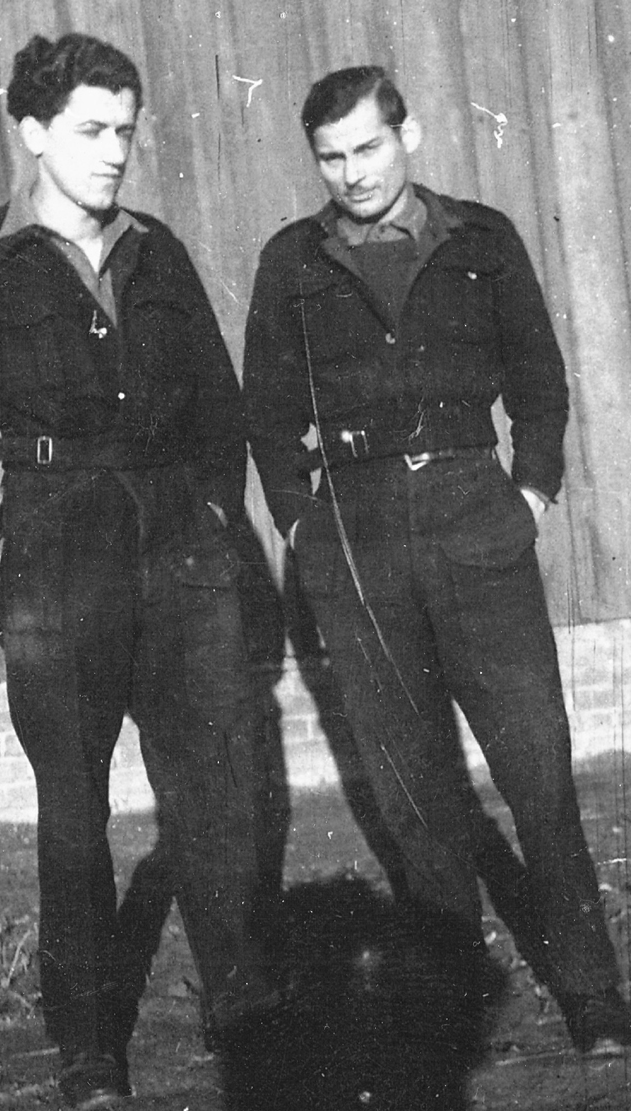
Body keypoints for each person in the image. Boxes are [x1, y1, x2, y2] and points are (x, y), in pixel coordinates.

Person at [0, 33, 275, 1108]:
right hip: (54, 545)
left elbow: (220, 409)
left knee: (211, 784)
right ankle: (88, 1047)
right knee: (73, 808)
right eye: (91, 130)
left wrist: (211, 518)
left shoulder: (157, 252)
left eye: (126, 131)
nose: (115, 151)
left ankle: (244, 1004)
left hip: (176, 538)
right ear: (32, 132)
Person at [243, 64, 631, 1055]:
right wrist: (304, 529)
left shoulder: (481, 239)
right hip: (358, 534)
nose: (354, 173)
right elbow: (267, 414)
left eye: (369, 147)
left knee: (535, 767)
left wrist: (528, 496)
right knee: (411, 783)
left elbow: (539, 380)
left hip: (471, 510)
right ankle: (457, 1005)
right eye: (332, 157)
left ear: (406, 135)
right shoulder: (292, 261)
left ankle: (592, 994)